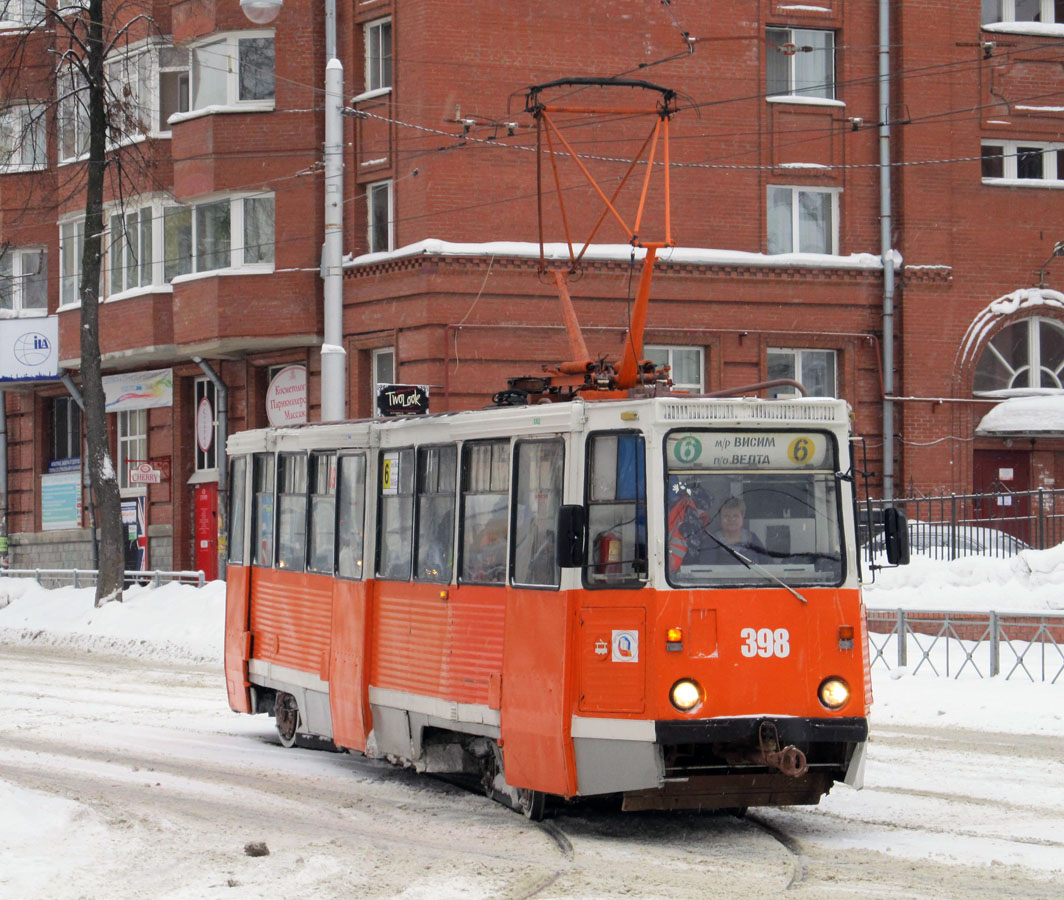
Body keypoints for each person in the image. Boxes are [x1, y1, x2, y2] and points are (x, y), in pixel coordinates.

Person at [686, 496, 766, 565]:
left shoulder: (752, 538)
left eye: (735, 516)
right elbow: (706, 571)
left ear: (743, 517)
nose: (731, 519)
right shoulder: (711, 542)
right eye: (726, 516)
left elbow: (768, 564)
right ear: (720, 517)